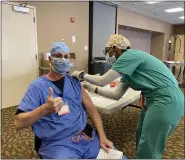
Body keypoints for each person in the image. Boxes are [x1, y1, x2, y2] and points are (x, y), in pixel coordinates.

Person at [72, 34, 184, 159]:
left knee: (151, 143)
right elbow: (116, 94)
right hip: (153, 99)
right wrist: (92, 88)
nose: (109, 56)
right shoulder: (128, 69)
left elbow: (102, 81)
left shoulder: (129, 56)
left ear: (115, 48)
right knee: (141, 133)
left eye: (109, 52)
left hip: (166, 100)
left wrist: (81, 75)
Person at [14, 42, 114, 159]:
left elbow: (92, 109)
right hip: (57, 145)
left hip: (84, 138)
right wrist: (44, 109)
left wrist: (102, 136)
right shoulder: (37, 86)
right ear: (50, 59)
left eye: (66, 57)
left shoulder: (74, 82)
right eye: (58, 56)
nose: (63, 59)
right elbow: (18, 123)